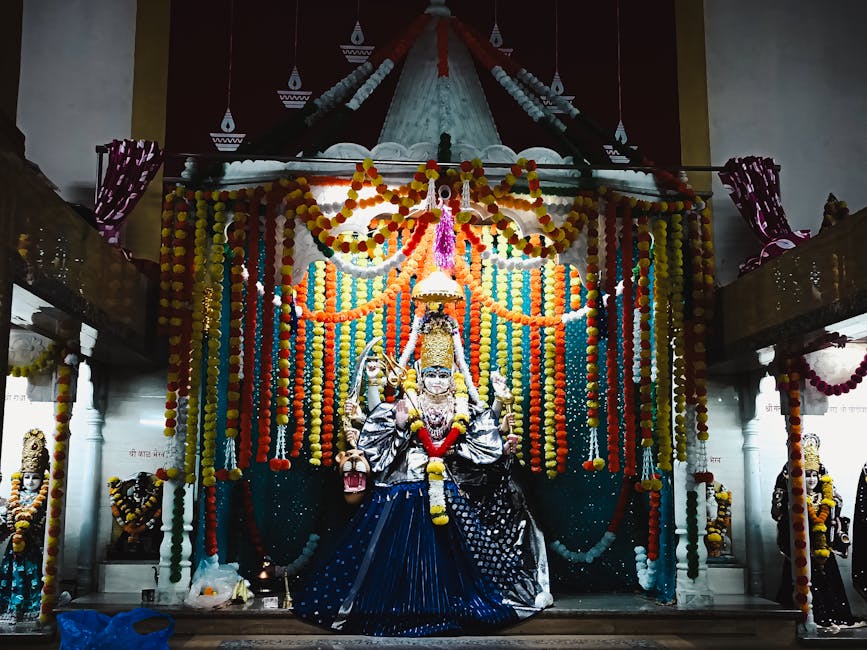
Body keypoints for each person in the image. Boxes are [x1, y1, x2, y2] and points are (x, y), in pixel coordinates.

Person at [293, 272, 551, 636]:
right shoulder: (406, 400)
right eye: (430, 374)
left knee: (453, 557)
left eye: (443, 375)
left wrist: (495, 402)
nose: (437, 381)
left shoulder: (461, 404)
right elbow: (379, 439)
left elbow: (484, 436)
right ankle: (394, 606)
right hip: (405, 485)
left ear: (452, 376)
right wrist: (399, 423)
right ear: (420, 373)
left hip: (445, 485)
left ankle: (444, 603)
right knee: (393, 553)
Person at [771, 433, 863, 630]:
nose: (811, 479)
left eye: (814, 475)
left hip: (822, 547)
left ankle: (832, 616)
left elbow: (835, 509)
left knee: (829, 581)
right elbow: (778, 511)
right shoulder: (790, 484)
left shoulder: (825, 490)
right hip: (800, 547)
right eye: (807, 475)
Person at [0, 428, 50, 625]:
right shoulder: (14, 498)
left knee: (31, 576)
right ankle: (11, 609)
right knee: (13, 575)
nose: (30, 481)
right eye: (27, 477)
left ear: (42, 479)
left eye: (35, 477)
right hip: (14, 546)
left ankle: (30, 609)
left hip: (33, 546)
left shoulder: (45, 499)